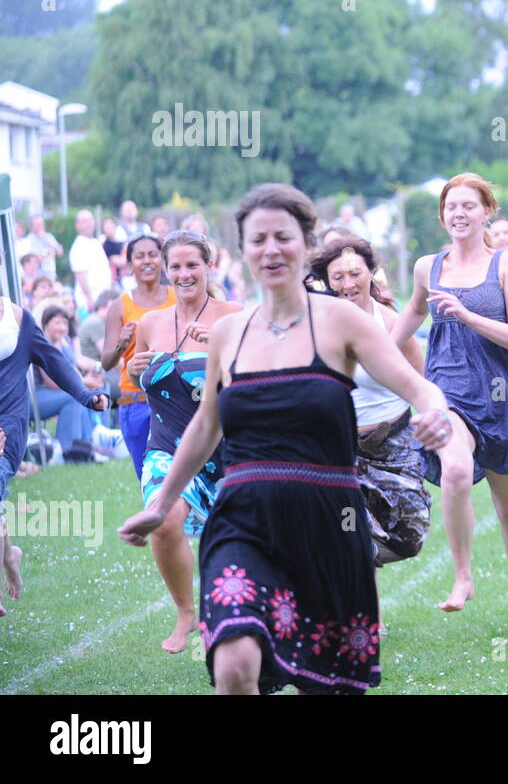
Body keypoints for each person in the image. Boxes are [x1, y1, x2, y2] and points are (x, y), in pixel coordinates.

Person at [119, 183, 455, 694]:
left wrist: (436, 412)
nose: (271, 249)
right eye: (258, 239)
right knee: (233, 662)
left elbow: (417, 385)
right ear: (243, 251)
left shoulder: (341, 321)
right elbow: (207, 427)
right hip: (245, 515)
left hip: (327, 520)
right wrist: (161, 501)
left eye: (283, 236)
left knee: (322, 681)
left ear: (305, 244)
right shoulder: (231, 334)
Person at [392, 174, 508, 633]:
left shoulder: (506, 265)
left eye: (469, 205)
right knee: (455, 470)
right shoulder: (429, 265)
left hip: (502, 395)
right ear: (443, 215)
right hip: (447, 389)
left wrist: (468, 316)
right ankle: (463, 576)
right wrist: (378, 354)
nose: (459, 214)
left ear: (487, 211)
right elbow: (413, 310)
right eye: (451, 207)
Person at [128, 230, 244, 652]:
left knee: (237, 546)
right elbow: (147, 385)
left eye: (192, 264)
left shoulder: (233, 314)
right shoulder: (150, 323)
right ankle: (185, 612)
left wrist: (219, 349)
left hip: (228, 450)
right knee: (163, 519)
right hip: (166, 447)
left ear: (209, 266)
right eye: (174, 266)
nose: (183, 273)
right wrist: (137, 368)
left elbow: (250, 382)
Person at [309, 236, 431, 572]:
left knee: (410, 536)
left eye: (355, 273)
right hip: (338, 448)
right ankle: (361, 608)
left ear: (371, 273)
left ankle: (337, 560)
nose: (347, 283)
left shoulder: (391, 324)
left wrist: (438, 428)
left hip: (393, 443)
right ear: (326, 282)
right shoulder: (316, 328)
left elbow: (421, 385)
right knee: (350, 526)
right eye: (338, 277)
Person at [1, 291, 108, 616]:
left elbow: (55, 362)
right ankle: (9, 555)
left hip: (7, 425)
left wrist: (85, 395)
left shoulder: (18, 320)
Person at [101, 235, 175, 480]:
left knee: (183, 477)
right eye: (139, 256)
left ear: (162, 260)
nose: (147, 261)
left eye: (153, 254)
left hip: (175, 399)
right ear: (130, 264)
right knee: (149, 479)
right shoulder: (120, 305)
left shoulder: (178, 297)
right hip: (136, 403)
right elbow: (106, 362)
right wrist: (122, 343)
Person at [33, 306, 103, 457]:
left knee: (87, 394)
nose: (62, 327)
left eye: (65, 323)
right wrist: (82, 384)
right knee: (74, 397)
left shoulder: (64, 343)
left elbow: (71, 371)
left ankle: (88, 446)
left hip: (53, 393)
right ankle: (66, 449)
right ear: (45, 324)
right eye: (57, 323)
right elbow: (50, 382)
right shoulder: (42, 344)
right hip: (34, 396)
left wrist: (83, 384)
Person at [69, 210, 113, 315]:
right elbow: (80, 275)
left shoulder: (95, 243)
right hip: (89, 303)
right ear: (77, 225)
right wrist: (89, 298)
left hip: (104, 300)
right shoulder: (78, 246)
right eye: (84, 221)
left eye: (90, 220)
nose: (88, 224)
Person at [26, 215, 63, 280]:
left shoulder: (49, 236)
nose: (40, 227)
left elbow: (60, 253)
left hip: (50, 276)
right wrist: (50, 254)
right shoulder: (28, 240)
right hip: (35, 278)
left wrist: (49, 241)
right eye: (37, 225)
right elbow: (36, 261)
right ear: (32, 227)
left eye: (41, 225)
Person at [102, 216, 127, 282]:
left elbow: (125, 260)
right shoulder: (103, 245)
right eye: (107, 227)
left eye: (111, 226)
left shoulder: (122, 243)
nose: (109, 229)